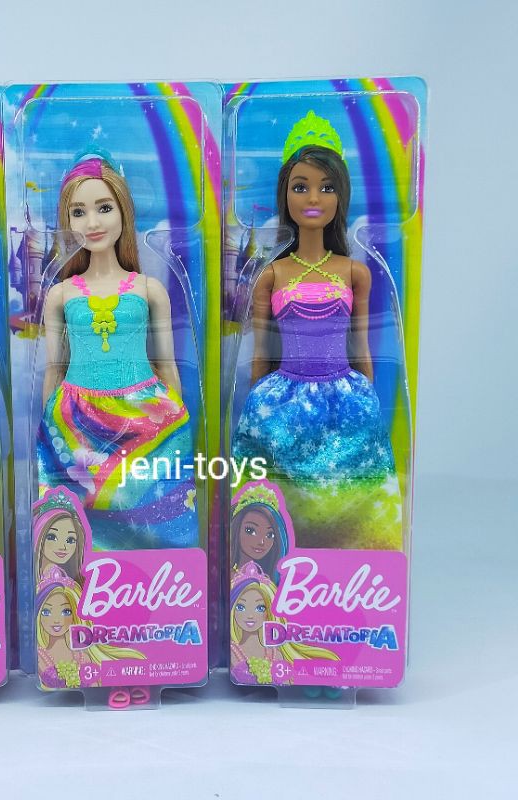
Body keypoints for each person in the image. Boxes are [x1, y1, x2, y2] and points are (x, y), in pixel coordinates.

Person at [232, 112, 401, 550]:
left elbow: (360, 345)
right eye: (300, 186)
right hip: (284, 398)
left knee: (354, 490)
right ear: (284, 194)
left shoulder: (354, 272)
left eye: (327, 187)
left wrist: (368, 398)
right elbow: (262, 352)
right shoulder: (272, 274)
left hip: (343, 398)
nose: (313, 198)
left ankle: (349, 558)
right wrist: (255, 405)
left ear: (341, 196)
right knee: (278, 488)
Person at [37, 156, 197, 550]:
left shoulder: (148, 288)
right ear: (67, 221)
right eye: (78, 212)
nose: (92, 222)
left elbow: (167, 366)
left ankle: (158, 572)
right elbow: (53, 370)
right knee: (80, 516)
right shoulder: (61, 294)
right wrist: (48, 431)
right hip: (76, 419)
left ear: (124, 212)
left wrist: (176, 426)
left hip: (145, 415)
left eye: (104, 208)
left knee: (152, 513)